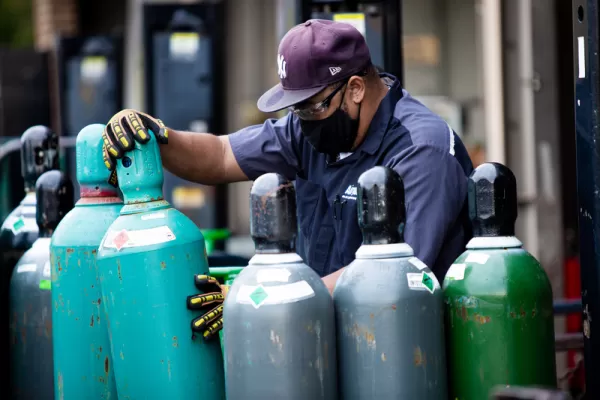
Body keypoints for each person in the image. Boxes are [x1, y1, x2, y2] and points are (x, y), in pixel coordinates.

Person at [101, 19, 474, 340]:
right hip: (324, 333)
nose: (302, 122)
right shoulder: (311, 128)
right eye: (296, 109)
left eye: (312, 106)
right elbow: (220, 155)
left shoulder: (422, 150)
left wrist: (265, 293)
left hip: (411, 350)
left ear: (356, 89)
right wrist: (156, 136)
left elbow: (390, 275)